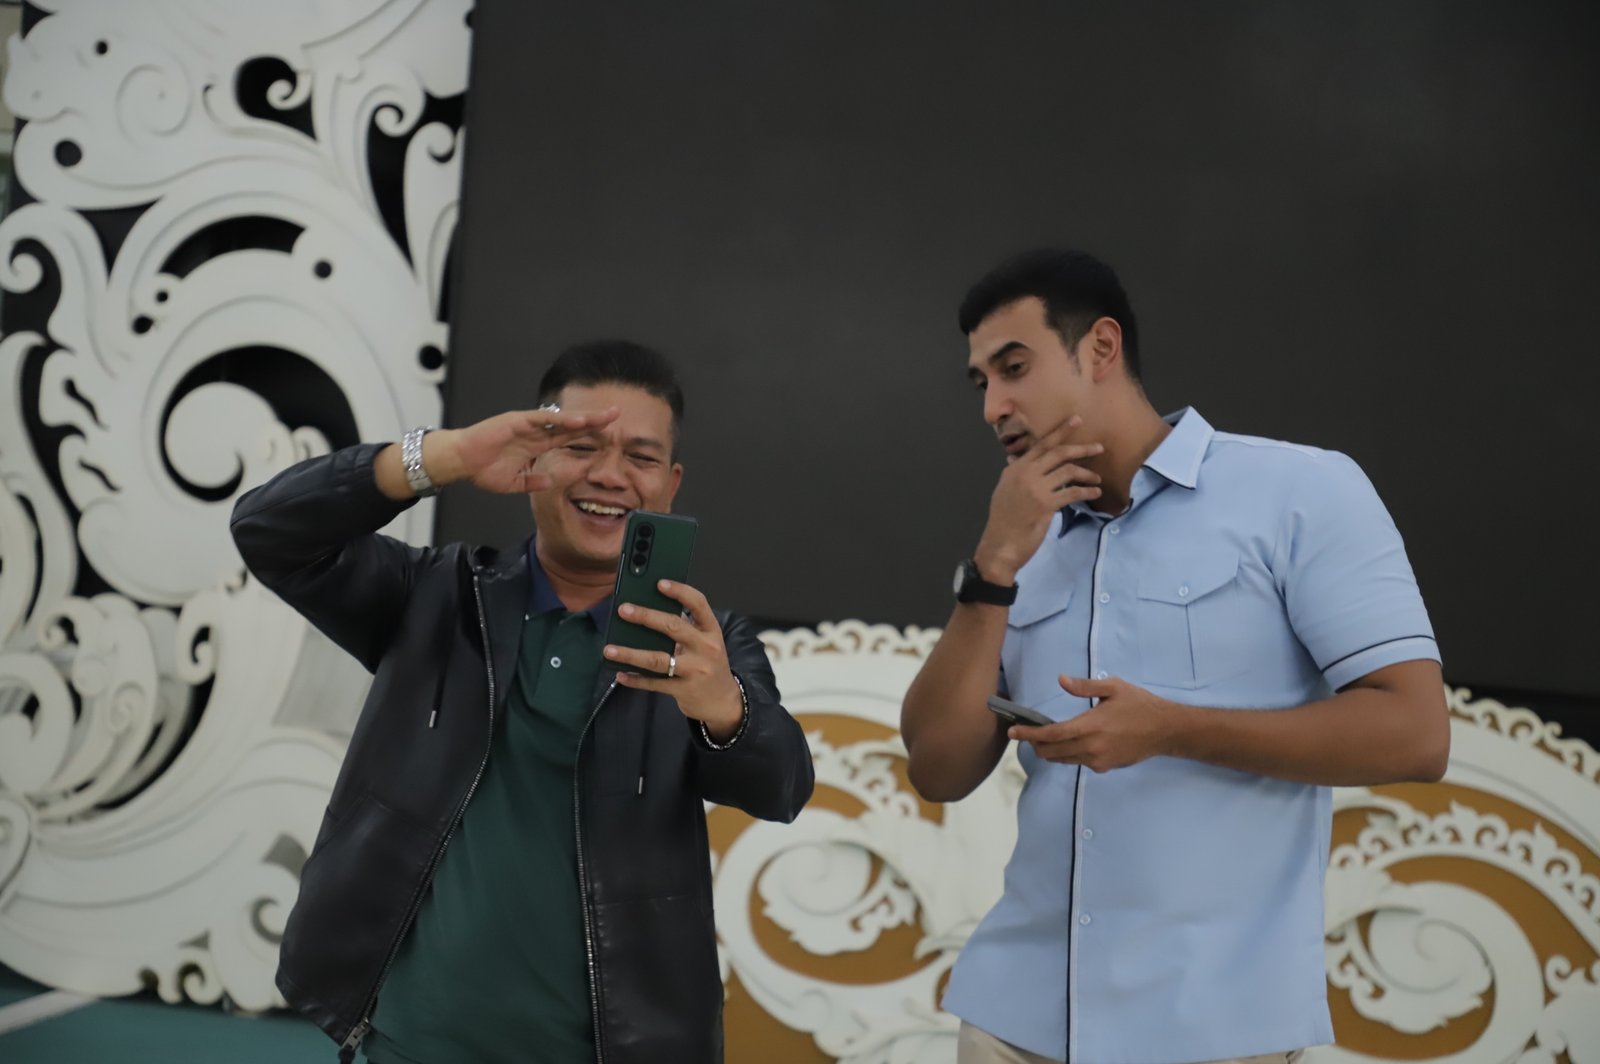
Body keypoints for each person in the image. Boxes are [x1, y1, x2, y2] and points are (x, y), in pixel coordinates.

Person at [901, 249, 1448, 1064]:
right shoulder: (1022, 540)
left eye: (1013, 368)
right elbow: (938, 768)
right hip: (1013, 1026)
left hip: (1212, 1028)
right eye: (980, 382)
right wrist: (992, 568)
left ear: (1101, 347)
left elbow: (1417, 734)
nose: (993, 406)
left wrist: (1171, 729)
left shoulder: (1302, 492)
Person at [231, 340, 815, 1064]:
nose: (610, 475)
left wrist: (723, 707)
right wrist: (444, 456)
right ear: (535, 455)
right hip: (416, 1043)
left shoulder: (704, 645)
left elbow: (783, 787)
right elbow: (267, 530)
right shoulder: (435, 597)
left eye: (640, 457)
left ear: (670, 484)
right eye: (581, 447)